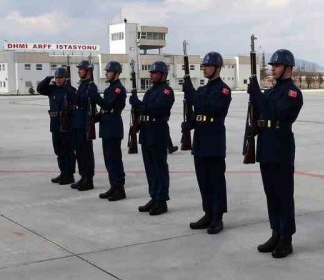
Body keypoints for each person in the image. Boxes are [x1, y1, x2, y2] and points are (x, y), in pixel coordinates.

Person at [248, 49, 303, 258]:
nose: (273, 69)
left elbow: (277, 112)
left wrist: (257, 95)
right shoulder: (271, 92)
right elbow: (262, 113)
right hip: (266, 145)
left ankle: (286, 238)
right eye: (272, 66)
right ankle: (275, 232)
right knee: (271, 193)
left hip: (281, 147)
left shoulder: (292, 93)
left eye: (277, 65)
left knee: (283, 195)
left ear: (288, 68)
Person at [182, 51, 232, 234]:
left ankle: (217, 216)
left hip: (214, 140)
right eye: (203, 66)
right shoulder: (202, 90)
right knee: (203, 180)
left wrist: (190, 92)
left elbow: (209, 107)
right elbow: (198, 112)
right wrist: (189, 124)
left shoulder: (224, 90)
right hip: (200, 140)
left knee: (216, 180)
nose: (204, 69)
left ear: (217, 68)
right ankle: (208, 213)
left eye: (207, 66)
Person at [130, 61, 175, 215]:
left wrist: (138, 104)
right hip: (146, 131)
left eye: (154, 72)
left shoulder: (167, 91)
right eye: (151, 72)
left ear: (163, 75)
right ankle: (154, 196)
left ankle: (161, 200)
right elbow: (144, 110)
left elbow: (156, 109)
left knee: (159, 167)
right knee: (150, 167)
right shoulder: (150, 91)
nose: (151, 75)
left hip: (157, 131)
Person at [89, 61, 128, 201]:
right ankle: (113, 186)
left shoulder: (118, 89)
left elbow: (107, 105)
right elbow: (104, 110)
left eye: (108, 71)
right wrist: (94, 118)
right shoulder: (110, 88)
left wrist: (95, 96)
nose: (106, 73)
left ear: (116, 73)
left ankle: (119, 189)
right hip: (106, 126)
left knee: (114, 159)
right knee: (109, 159)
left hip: (113, 127)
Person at [37, 68, 76, 184]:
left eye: (60, 77)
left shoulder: (70, 90)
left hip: (66, 125)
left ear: (65, 78)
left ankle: (69, 176)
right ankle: (63, 173)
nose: (58, 80)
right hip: (55, 125)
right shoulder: (52, 89)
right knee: (59, 151)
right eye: (56, 77)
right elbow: (39, 89)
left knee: (68, 152)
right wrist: (48, 78)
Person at [70, 60, 98, 192]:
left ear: (88, 71)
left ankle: (89, 179)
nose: (78, 71)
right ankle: (83, 176)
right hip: (77, 123)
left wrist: (71, 94)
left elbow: (83, 102)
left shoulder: (91, 86)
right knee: (79, 152)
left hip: (84, 124)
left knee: (86, 153)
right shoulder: (82, 85)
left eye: (81, 69)